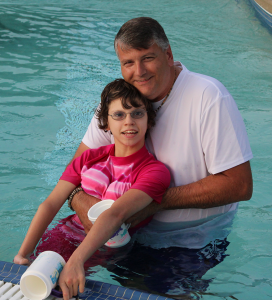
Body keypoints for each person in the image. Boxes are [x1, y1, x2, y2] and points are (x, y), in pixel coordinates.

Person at [68, 17, 253, 249]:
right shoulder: (120, 103)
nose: (139, 72)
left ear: (168, 55)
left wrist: (153, 200)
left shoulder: (209, 97)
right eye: (128, 63)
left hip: (192, 241)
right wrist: (79, 200)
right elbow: (74, 170)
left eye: (147, 58)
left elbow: (240, 185)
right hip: (121, 233)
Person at [14, 79, 171, 300]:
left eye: (137, 113)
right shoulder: (89, 158)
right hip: (65, 237)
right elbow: (50, 204)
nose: (129, 122)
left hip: (114, 254)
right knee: (38, 285)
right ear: (106, 123)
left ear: (149, 120)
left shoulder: (154, 172)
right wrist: (23, 254)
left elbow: (116, 214)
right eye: (119, 115)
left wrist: (76, 260)